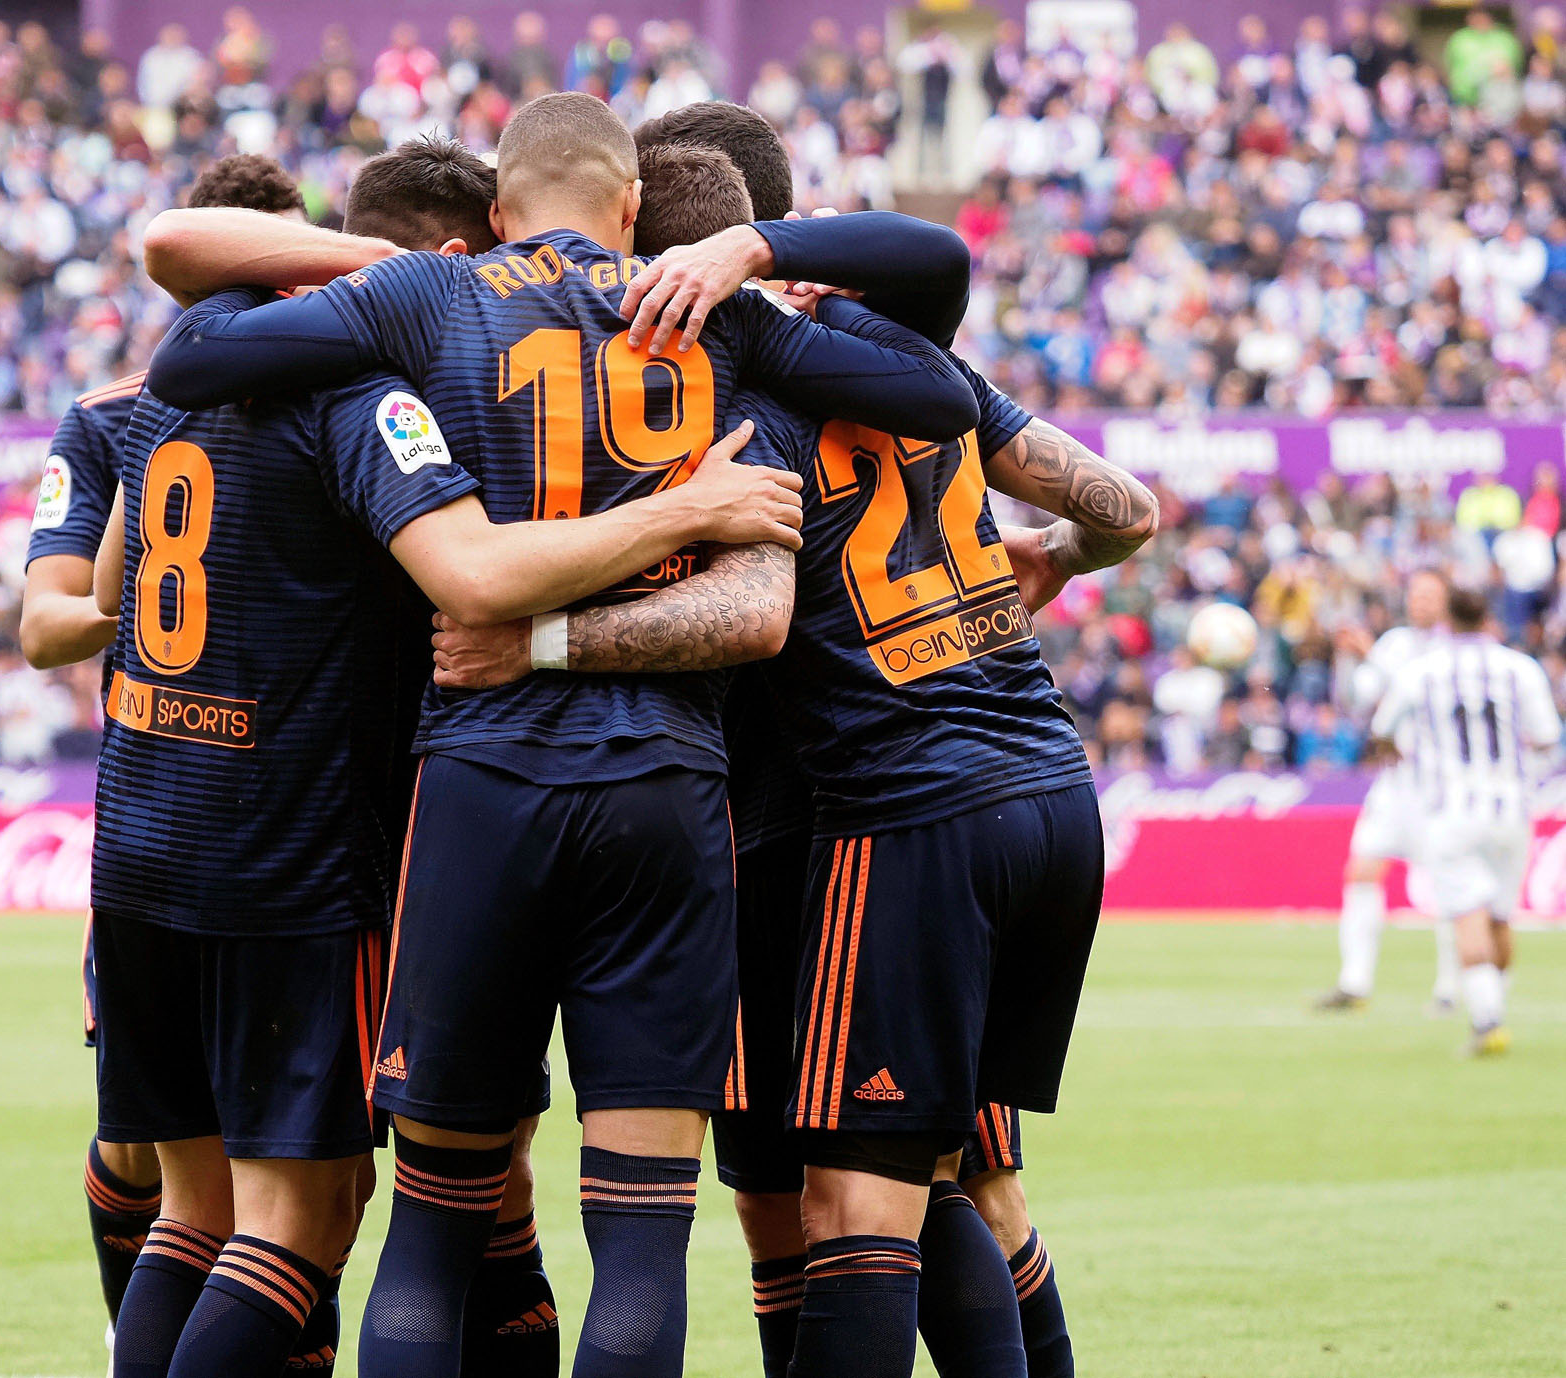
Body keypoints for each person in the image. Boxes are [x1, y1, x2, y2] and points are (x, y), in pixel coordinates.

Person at [137, 92, 977, 1378]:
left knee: (431, 1225)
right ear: (634, 209)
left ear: (491, 212)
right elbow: (935, 387)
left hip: (478, 778)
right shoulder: (705, 313)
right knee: (638, 1238)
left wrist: (386, 266)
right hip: (667, 787)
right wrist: (758, 253)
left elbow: (188, 360)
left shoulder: (432, 300)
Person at [435, 139, 1159, 1378]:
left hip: (885, 830)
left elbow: (748, 617)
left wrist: (536, 639)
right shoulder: (920, 369)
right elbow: (1128, 509)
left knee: (857, 1209)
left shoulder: (739, 405)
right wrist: (1050, 552)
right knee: (950, 1181)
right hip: (1043, 786)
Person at [18, 154, 317, 1366]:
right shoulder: (107, 421)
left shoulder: (312, 403)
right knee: (182, 1168)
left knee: (242, 1183)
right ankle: (130, 1328)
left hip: (200, 837)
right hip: (188, 831)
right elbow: (44, 627)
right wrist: (132, 594)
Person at [1369, 585, 1560, 1057]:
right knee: (1499, 916)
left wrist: (1402, 752)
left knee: (1467, 916)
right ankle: (1496, 1003)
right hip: (1511, 807)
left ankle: (1488, 1020)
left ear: (1447, 621)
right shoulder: (1520, 668)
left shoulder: (1423, 672)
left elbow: (1382, 728)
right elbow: (1546, 735)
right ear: (1488, 618)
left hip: (1450, 810)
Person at [1317, 570, 1454, 1013]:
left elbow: (1422, 692)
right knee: (1361, 871)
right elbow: (1356, 700)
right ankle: (1354, 983)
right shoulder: (1396, 642)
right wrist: (1347, 659)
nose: (1421, 601)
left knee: (1451, 886)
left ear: (1446, 601)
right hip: (1395, 783)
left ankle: (1450, 989)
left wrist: (1369, 653)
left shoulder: (1453, 648)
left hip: (1440, 784)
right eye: (1416, 593)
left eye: (1431, 594)